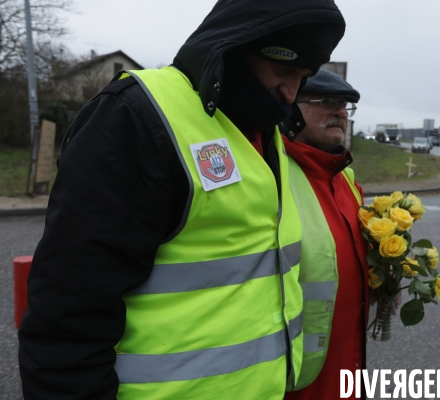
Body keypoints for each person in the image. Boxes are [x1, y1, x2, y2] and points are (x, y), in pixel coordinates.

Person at [18, 1, 345, 399]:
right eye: (285, 70)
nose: (291, 92)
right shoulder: (138, 116)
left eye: (304, 78)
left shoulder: (262, 131)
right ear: (237, 46)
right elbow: (68, 314)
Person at [283, 69, 369, 399]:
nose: (340, 113)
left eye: (346, 105)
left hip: (348, 363)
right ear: (291, 107)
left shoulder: (345, 178)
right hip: (297, 377)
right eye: (328, 102)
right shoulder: (270, 172)